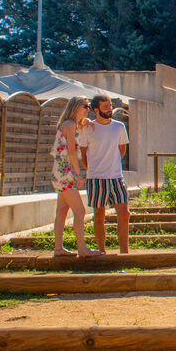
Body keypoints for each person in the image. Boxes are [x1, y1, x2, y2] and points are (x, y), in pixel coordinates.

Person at [78, 94, 130, 255]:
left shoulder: (119, 126)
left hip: (116, 177)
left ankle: (124, 251)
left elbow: (122, 150)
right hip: (96, 178)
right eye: (105, 106)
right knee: (99, 214)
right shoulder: (87, 128)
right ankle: (102, 251)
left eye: (110, 106)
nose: (109, 109)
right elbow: (83, 154)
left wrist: (111, 163)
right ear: (96, 109)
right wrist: (92, 169)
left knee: (124, 213)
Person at [49, 97, 98, 257]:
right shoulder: (69, 125)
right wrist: (78, 174)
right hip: (65, 172)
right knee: (79, 211)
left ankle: (58, 249)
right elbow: (71, 151)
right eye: (85, 106)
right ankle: (82, 249)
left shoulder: (71, 124)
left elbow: (82, 122)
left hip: (60, 171)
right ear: (76, 107)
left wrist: (87, 121)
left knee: (62, 211)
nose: (88, 109)